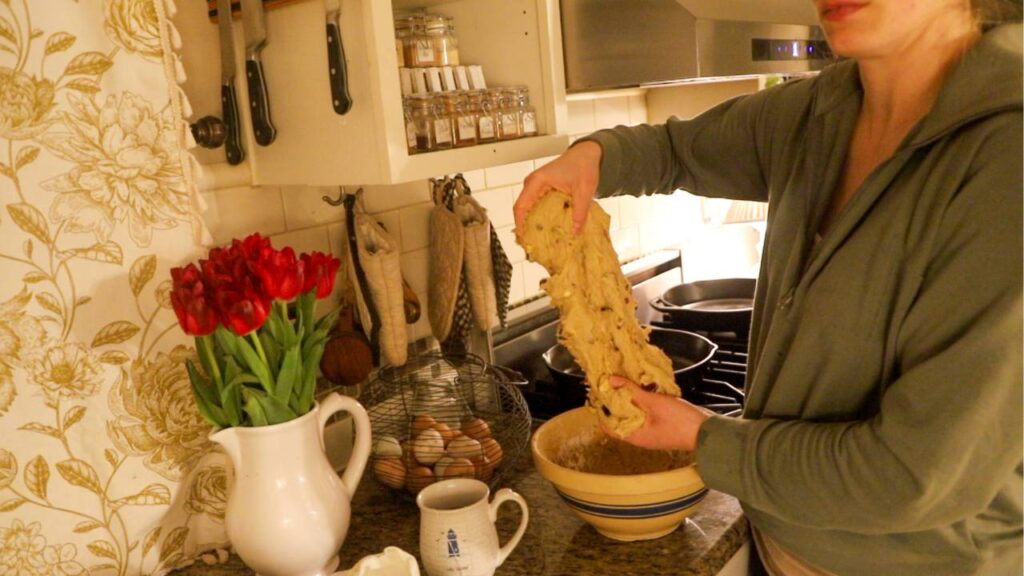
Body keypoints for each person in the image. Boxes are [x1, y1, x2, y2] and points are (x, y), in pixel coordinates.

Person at [513, 0, 1023, 574]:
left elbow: (913, 476)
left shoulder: (1007, 162)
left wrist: (707, 442)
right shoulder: (819, 110)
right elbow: (674, 149)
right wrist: (593, 156)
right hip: (780, 536)